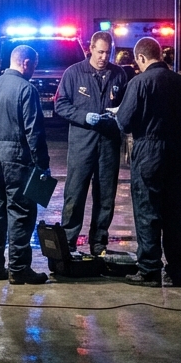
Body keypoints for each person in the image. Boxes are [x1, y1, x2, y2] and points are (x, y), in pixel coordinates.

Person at [114, 36, 181, 287]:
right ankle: (175, 271)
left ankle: (149, 270)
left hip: (148, 150)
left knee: (148, 210)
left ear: (140, 58)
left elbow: (124, 122)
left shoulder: (139, 83)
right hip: (175, 150)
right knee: (173, 211)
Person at [0, 44, 50, 285]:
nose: (34, 72)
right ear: (26, 63)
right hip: (17, 160)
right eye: (34, 67)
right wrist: (43, 167)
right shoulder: (26, 90)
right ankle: (18, 269)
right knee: (21, 214)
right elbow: (34, 133)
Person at [54, 30, 127, 256]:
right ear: (90, 50)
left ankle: (99, 243)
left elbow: (127, 105)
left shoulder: (119, 75)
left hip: (109, 143)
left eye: (108, 52)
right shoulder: (74, 73)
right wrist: (82, 117)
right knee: (75, 194)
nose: (104, 57)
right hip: (82, 144)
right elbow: (61, 104)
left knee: (106, 196)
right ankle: (68, 241)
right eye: (100, 52)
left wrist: (120, 116)